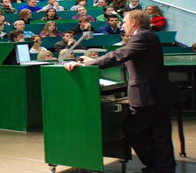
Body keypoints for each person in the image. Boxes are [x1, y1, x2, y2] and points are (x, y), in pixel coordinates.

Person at [66, 10, 179, 172]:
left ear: (134, 22)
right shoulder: (149, 35)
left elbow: (120, 54)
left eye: (124, 22)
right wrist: (94, 60)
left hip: (147, 95)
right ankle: (164, 167)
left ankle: (155, 165)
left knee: (133, 128)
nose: (122, 26)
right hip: (157, 93)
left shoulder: (142, 36)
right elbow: (127, 57)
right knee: (160, 133)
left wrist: (87, 64)